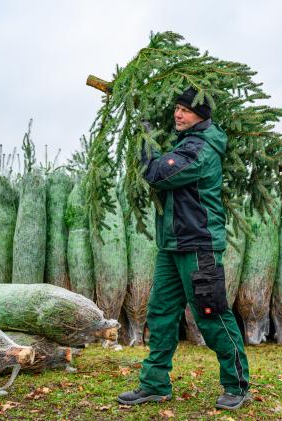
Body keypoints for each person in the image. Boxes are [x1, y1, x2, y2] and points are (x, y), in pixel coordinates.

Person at [117, 87, 251, 410]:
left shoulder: (200, 150)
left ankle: (237, 384)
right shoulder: (185, 143)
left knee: (211, 314)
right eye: (176, 107)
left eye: (185, 110)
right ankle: (154, 384)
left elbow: (158, 173)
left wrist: (146, 139)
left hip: (198, 247)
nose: (178, 114)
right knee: (161, 313)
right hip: (172, 247)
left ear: (201, 116)